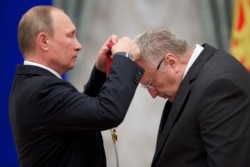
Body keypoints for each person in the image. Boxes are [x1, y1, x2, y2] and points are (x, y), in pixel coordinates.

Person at [8, 5, 144, 167]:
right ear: (44, 41)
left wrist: (100, 71)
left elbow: (81, 118)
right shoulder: (42, 89)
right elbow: (107, 112)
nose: (78, 45)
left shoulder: (34, 84)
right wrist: (124, 58)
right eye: (70, 36)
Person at [134, 27, 250, 167]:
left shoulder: (218, 86)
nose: (152, 94)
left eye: (150, 84)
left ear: (171, 62)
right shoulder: (196, 78)